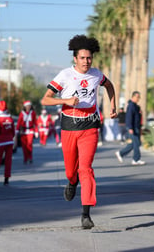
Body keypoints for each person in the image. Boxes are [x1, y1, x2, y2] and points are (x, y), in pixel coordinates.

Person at [40, 34, 117, 229]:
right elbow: (45, 99)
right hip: (69, 127)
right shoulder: (65, 75)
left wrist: (113, 106)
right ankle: (71, 182)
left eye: (89, 58)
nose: (86, 61)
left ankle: (86, 214)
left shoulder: (97, 75)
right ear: (75, 58)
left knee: (86, 169)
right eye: (82, 58)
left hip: (90, 127)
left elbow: (110, 86)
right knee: (70, 170)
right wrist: (64, 100)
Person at [115, 91, 146, 165]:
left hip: (136, 127)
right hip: (132, 127)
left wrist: (140, 127)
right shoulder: (131, 106)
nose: (138, 99)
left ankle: (121, 153)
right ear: (133, 97)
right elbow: (129, 117)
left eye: (139, 97)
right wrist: (130, 128)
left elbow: (138, 118)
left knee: (136, 143)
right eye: (137, 97)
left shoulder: (136, 106)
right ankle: (136, 159)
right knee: (136, 143)